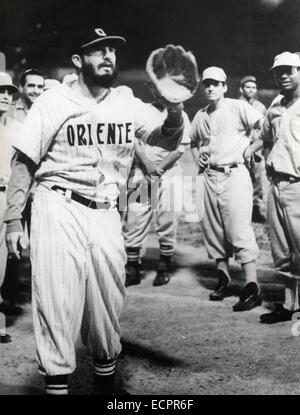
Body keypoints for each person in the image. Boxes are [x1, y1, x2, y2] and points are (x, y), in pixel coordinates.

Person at [4, 28, 185, 395]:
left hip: (105, 209)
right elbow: (23, 161)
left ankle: (105, 390)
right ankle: (57, 383)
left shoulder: (125, 100)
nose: (107, 56)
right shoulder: (54, 101)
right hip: (58, 203)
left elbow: (165, 139)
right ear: (78, 60)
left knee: (107, 301)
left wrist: (176, 107)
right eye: (97, 50)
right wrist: (12, 220)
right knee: (56, 300)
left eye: (112, 50)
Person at [190, 66, 263, 311]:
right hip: (209, 176)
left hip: (235, 174)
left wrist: (251, 149)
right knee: (214, 231)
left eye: (215, 83)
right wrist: (197, 156)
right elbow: (193, 142)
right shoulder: (201, 115)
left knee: (239, 229)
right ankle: (223, 278)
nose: (210, 87)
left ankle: (252, 286)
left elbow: (265, 127)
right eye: (206, 83)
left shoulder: (237, 107)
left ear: (224, 86)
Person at [244, 52, 300, 323]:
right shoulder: (277, 103)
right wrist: (249, 149)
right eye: (278, 71)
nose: (283, 75)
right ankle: (290, 306)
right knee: (282, 249)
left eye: (289, 70)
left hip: (298, 185)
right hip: (276, 184)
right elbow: (266, 135)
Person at [123, 80, 191, 287]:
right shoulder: (140, 110)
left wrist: (159, 167)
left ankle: (163, 266)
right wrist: (148, 163)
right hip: (141, 170)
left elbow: (181, 148)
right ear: (152, 88)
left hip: (169, 172)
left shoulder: (180, 113)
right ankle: (133, 266)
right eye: (157, 88)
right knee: (134, 217)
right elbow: (132, 140)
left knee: (167, 218)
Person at [0, 72, 21, 324]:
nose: (5, 96)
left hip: (5, 197)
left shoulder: (17, 128)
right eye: (0, 90)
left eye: (9, 92)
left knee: (2, 261)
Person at [239, 75, 267, 223]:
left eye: (253, 87)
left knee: (257, 182)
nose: (251, 90)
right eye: (248, 87)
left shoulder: (261, 107)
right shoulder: (236, 105)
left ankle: (255, 210)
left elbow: (265, 130)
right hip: (239, 150)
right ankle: (241, 211)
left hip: (256, 150)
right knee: (239, 181)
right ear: (241, 89)